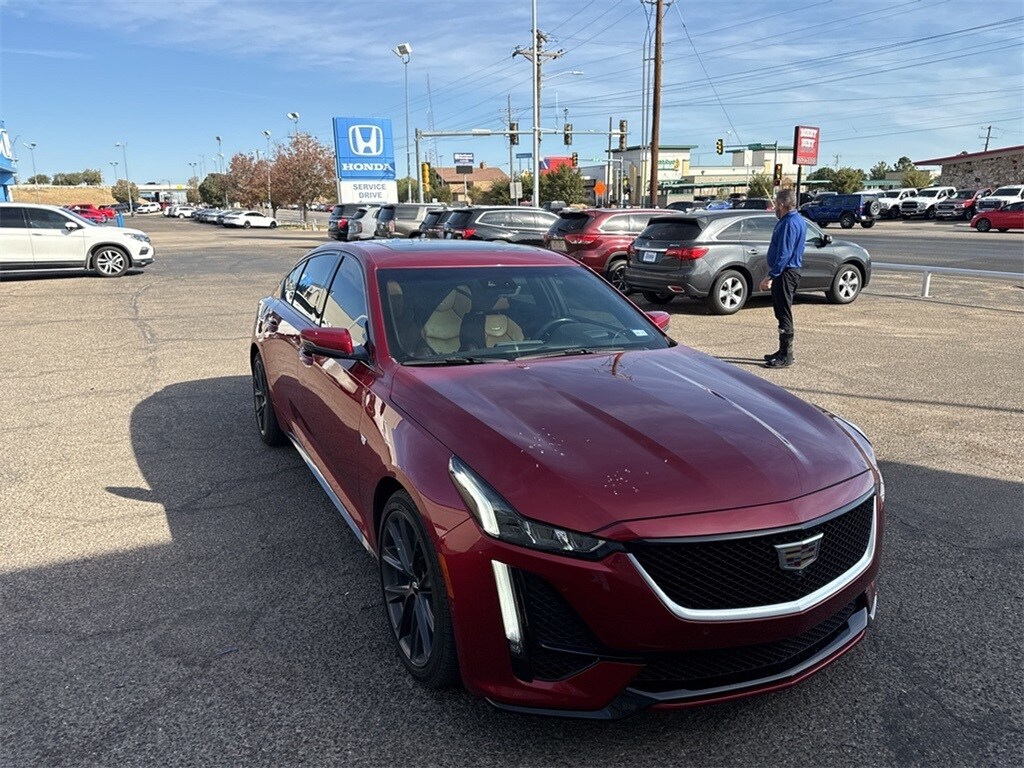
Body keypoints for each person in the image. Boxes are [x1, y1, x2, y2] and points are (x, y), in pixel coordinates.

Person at [758, 188, 806, 368]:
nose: (774, 208)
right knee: (780, 312)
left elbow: (785, 253)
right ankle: (782, 350)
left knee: (784, 313)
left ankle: (787, 356)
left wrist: (771, 275)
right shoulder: (795, 220)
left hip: (786, 273)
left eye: (776, 204)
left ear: (782, 205)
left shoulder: (789, 223)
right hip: (787, 272)